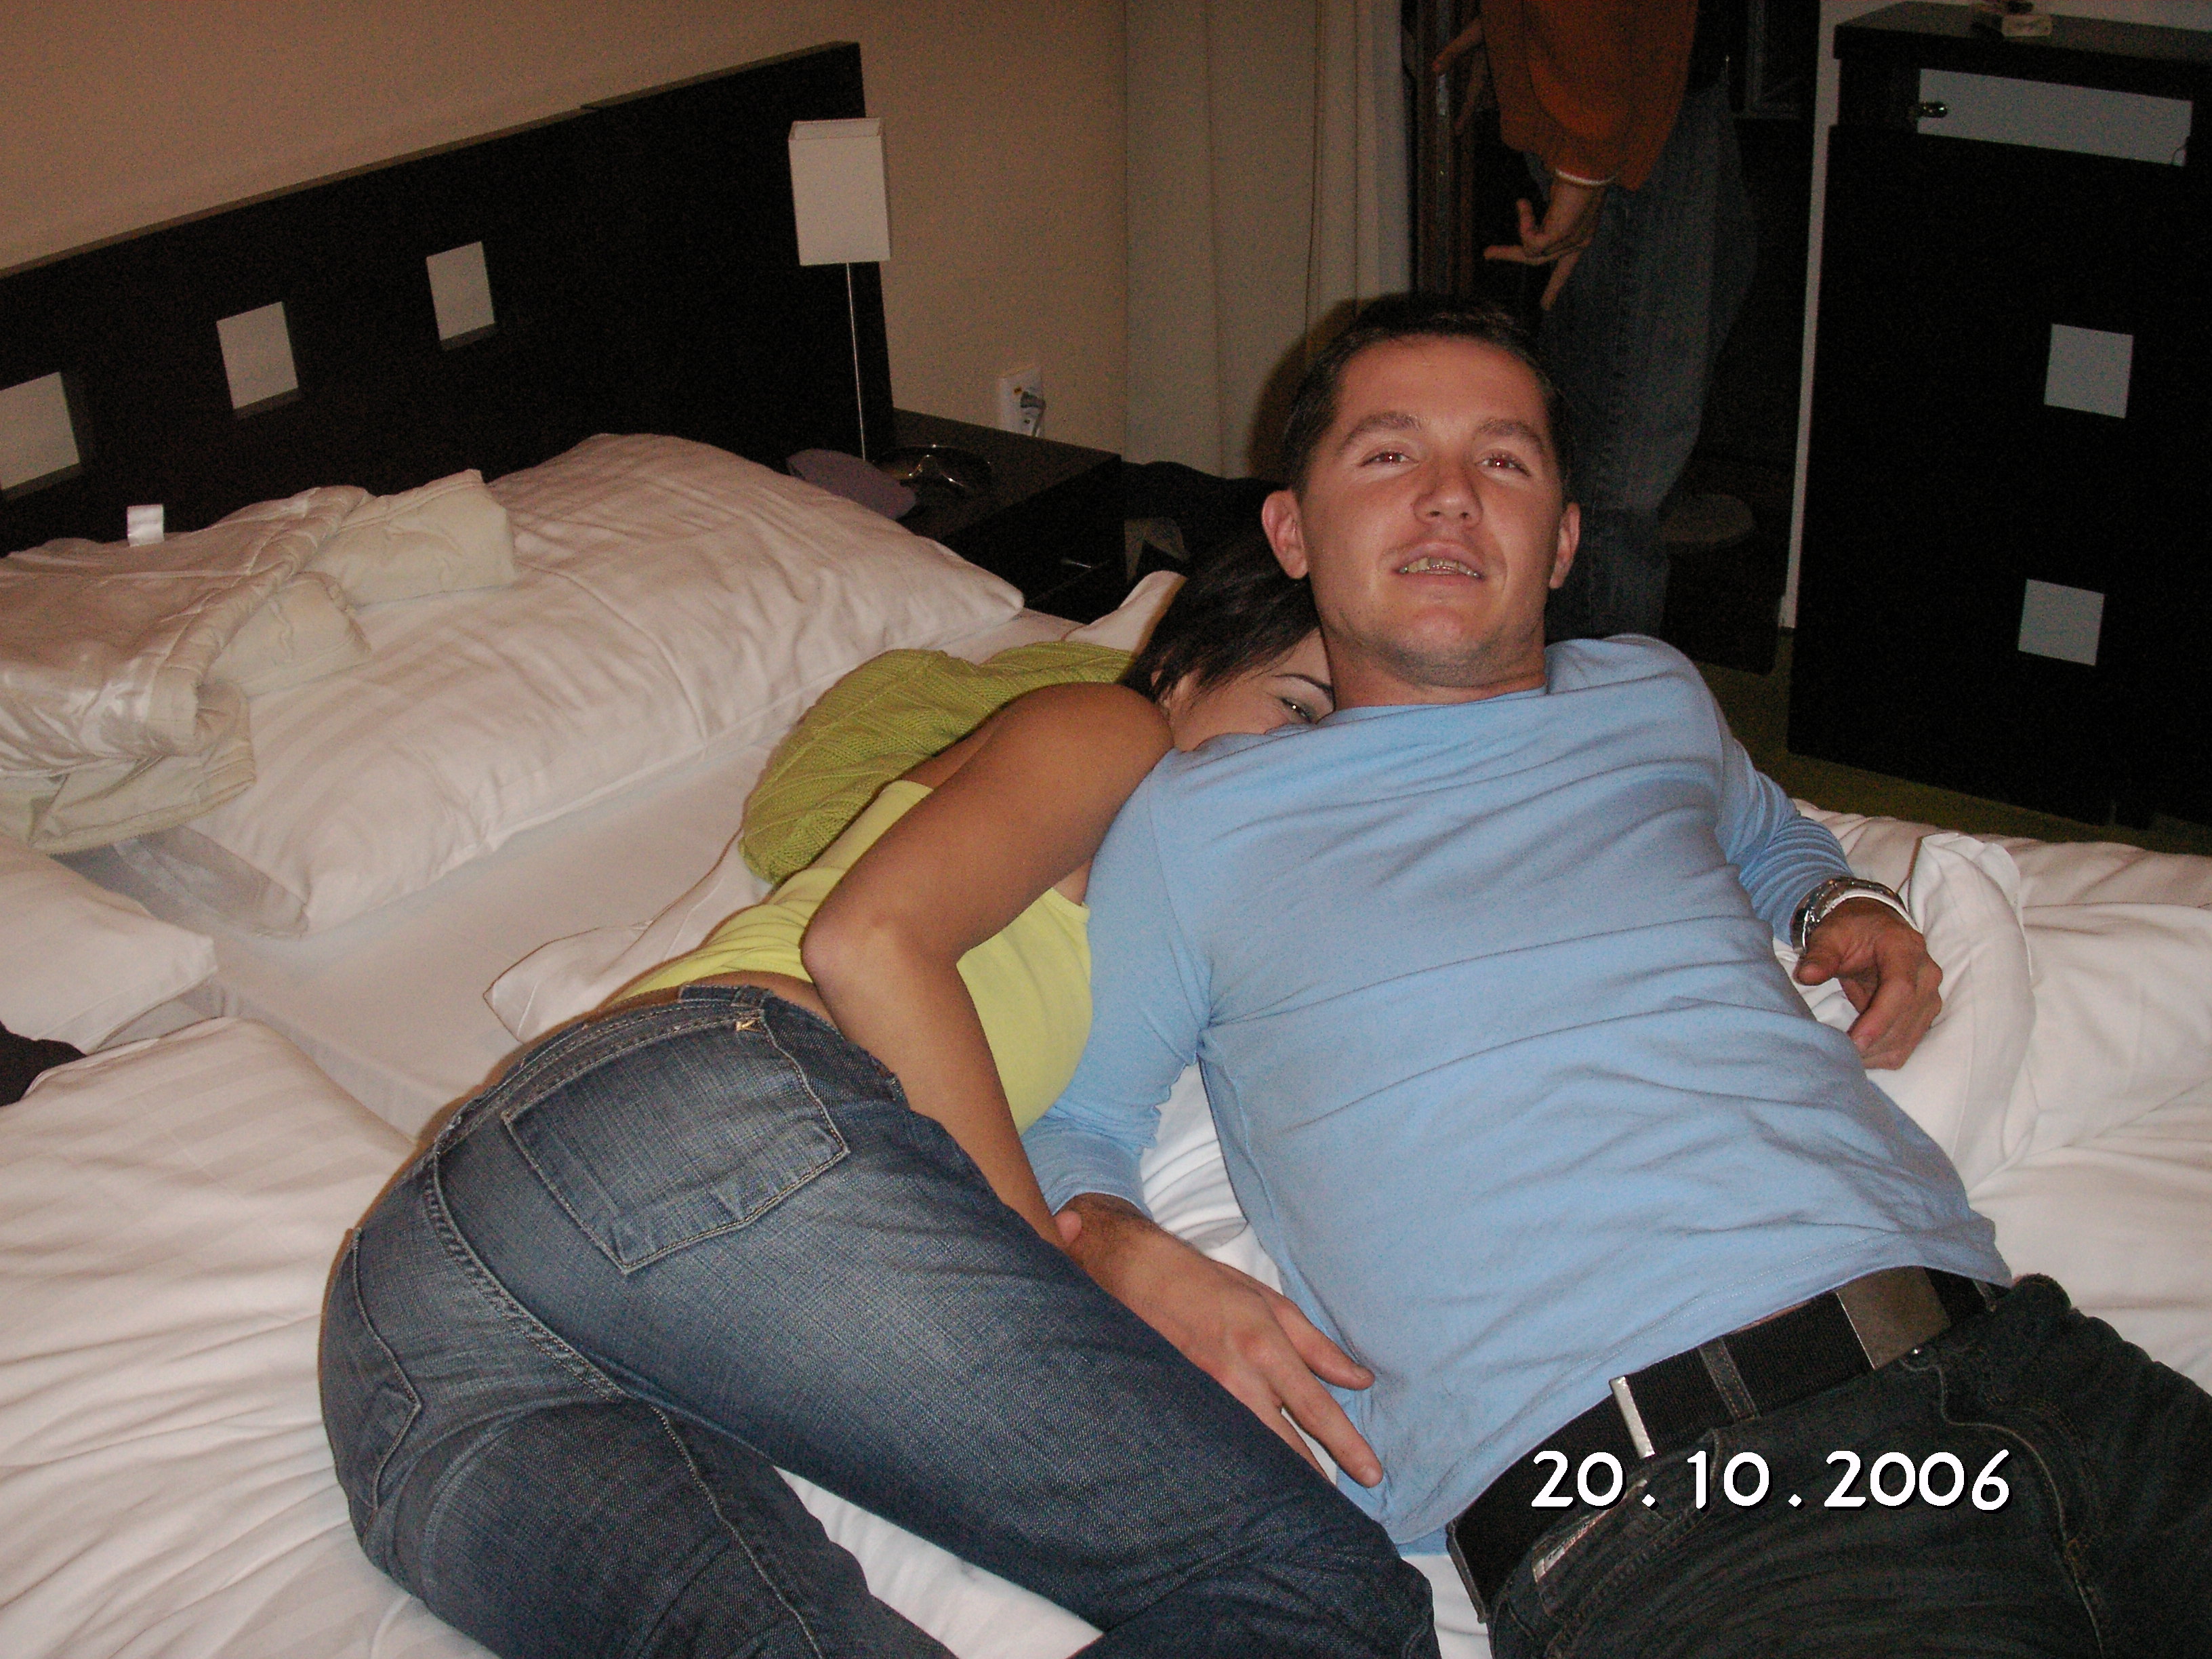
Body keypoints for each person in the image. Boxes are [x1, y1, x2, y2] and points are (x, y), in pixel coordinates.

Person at [1026, 295, 2212, 1656]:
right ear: (1292, 531)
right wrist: (1119, 1248)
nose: (1451, 496)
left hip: (2027, 1365)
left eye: (1504, 460)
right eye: (1388, 454)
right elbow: (1075, 1118)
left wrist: (1842, 898)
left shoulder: (1651, 693)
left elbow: (1763, 828)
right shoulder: (1201, 820)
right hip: (1687, 1494)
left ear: (1563, 540)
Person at [316, 538, 1447, 1659]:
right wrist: (1070, 1311)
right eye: (1298, 710)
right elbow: (872, 944)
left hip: (422, 1326)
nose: (1311, 769)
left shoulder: (1172, 929)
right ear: (1183, 672)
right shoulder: (1112, 731)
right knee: (1323, 1588)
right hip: (681, 1128)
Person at [1435, 0, 1753, 640]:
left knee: (1638, 409)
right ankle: (1596, 690)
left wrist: (1515, 26)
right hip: (1617, 95)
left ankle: (1619, 565)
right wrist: (1585, 155)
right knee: (1616, 473)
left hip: (1667, 64)